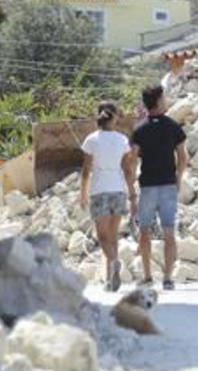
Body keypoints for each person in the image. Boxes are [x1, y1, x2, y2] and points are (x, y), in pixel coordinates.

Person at [130, 84, 188, 290]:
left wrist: (131, 189)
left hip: (147, 187)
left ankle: (147, 277)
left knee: (144, 231)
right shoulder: (173, 126)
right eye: (164, 97)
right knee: (169, 231)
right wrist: (178, 178)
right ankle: (168, 278)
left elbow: (132, 161)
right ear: (159, 101)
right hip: (168, 186)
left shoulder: (139, 129)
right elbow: (183, 158)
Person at [79, 102, 137, 292]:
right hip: (118, 190)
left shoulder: (91, 140)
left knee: (102, 237)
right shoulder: (122, 140)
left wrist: (82, 193)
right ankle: (111, 279)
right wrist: (132, 193)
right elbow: (128, 169)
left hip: (99, 190)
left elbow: (86, 171)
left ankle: (114, 263)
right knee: (113, 236)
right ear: (115, 117)